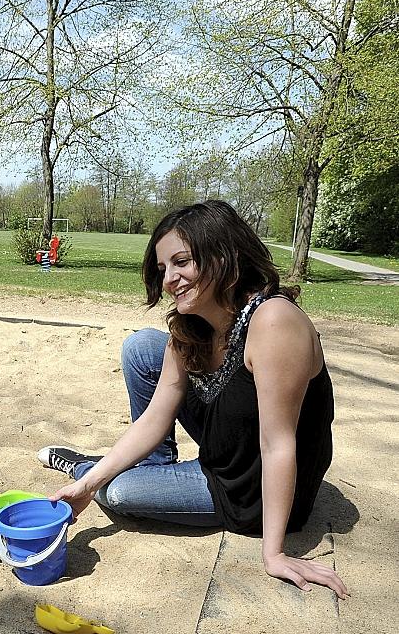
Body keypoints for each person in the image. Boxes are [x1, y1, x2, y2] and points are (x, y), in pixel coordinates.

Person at [40, 200, 349, 598]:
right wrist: (89, 486)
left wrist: (274, 553)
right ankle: (122, 469)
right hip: (230, 443)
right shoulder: (193, 326)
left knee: (117, 493)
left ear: (224, 255)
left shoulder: (273, 321)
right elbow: (155, 417)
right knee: (144, 347)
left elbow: (278, 444)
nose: (169, 278)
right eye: (163, 268)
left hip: (249, 488)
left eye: (182, 262)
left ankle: (88, 468)